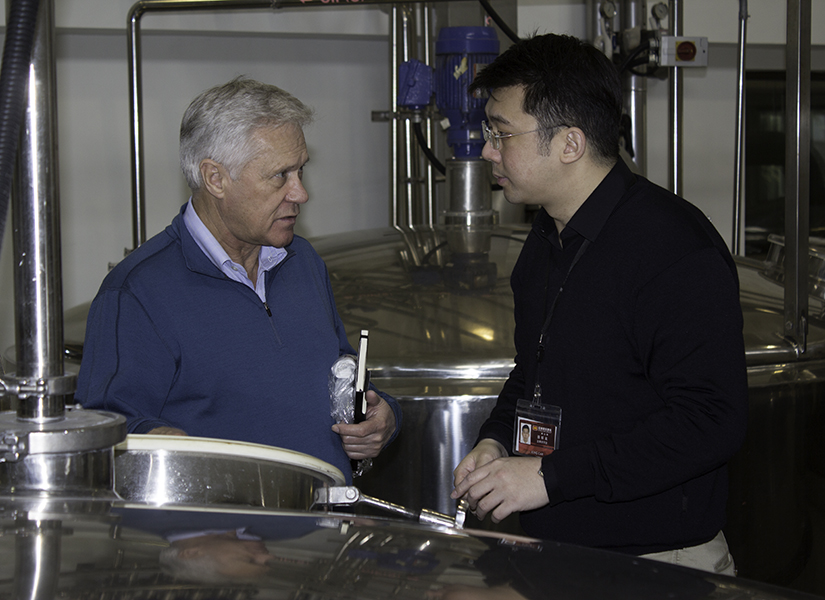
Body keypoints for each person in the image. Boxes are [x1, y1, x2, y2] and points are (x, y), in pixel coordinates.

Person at [451, 34, 748, 574]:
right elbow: (536, 367)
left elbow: (709, 421)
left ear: (569, 143)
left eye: (502, 133)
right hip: (557, 551)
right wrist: (496, 441)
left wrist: (548, 477)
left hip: (657, 562)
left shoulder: (673, 248)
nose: (488, 149)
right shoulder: (546, 235)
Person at [76, 77, 401, 482]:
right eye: (280, 175)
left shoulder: (302, 262)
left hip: (327, 532)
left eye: (301, 171)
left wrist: (383, 415)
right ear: (215, 178)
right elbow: (100, 431)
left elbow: (341, 375)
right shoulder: (138, 292)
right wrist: (165, 449)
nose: (300, 193)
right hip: (227, 537)